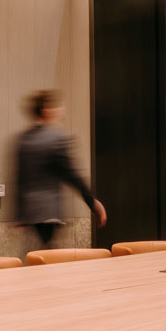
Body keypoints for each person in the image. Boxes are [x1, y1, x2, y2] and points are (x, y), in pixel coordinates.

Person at [13, 90, 106, 249]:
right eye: (55, 106)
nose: (59, 110)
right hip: (48, 211)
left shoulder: (23, 139)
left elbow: (19, 179)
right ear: (45, 110)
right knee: (48, 253)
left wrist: (18, 214)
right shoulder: (55, 138)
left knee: (41, 252)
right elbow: (72, 175)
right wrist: (92, 202)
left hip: (30, 212)